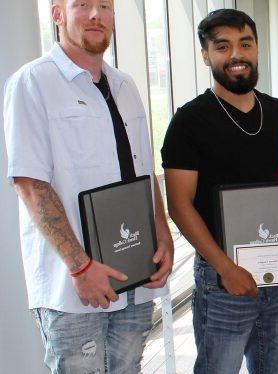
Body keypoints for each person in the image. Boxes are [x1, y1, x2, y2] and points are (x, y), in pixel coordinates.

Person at [3, 0, 174, 372]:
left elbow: (143, 170)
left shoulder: (126, 85)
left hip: (135, 271)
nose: (96, 14)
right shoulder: (32, 83)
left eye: (105, 6)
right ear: (57, 14)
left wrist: (162, 233)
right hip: (73, 287)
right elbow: (31, 184)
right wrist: (80, 268)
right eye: (82, 4)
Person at [160, 9, 278, 374]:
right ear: (206, 55)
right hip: (222, 279)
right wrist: (225, 268)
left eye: (245, 43)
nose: (236, 55)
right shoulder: (189, 122)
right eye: (222, 46)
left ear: (257, 48)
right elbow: (179, 206)